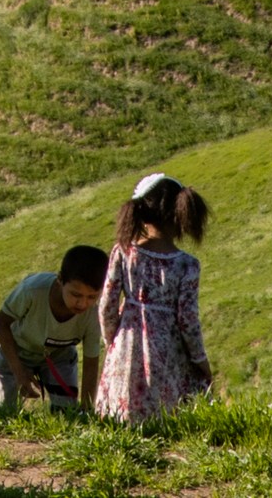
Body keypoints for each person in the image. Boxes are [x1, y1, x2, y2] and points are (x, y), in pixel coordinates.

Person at [92, 174, 213, 424]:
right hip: (169, 353)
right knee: (166, 417)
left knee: (121, 415)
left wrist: (113, 341)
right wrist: (199, 360)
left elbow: (107, 305)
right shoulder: (187, 264)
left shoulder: (124, 252)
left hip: (127, 345)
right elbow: (188, 320)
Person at [0, 245, 107, 413]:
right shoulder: (32, 290)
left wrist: (86, 410)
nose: (83, 304)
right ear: (60, 280)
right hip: (16, 351)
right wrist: (19, 371)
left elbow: (91, 363)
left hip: (59, 356)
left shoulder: (95, 312)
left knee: (67, 413)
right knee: (2, 412)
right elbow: (1, 323)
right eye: (76, 295)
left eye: (92, 297)